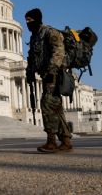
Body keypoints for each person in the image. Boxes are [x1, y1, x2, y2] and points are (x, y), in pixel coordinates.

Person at [25, 8, 73, 153]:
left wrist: (52, 71)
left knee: (46, 104)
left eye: (30, 20)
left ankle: (51, 141)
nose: (28, 23)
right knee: (56, 108)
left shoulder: (50, 32)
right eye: (26, 20)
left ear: (37, 19)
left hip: (54, 74)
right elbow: (32, 57)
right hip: (45, 75)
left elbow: (58, 52)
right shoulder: (35, 37)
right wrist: (29, 72)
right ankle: (66, 141)